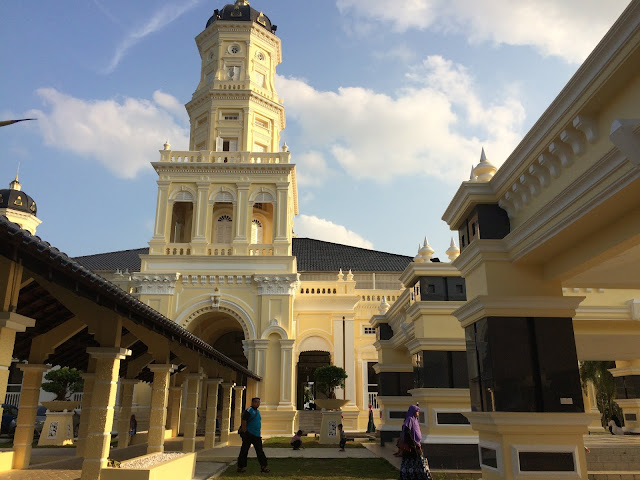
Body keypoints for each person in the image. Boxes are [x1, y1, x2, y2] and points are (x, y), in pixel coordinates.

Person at [237, 397, 269, 473]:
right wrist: (245, 432)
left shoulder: (257, 411)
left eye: (258, 402)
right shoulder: (249, 410)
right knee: (244, 451)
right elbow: (243, 420)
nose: (257, 404)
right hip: (249, 434)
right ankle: (241, 467)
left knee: (260, 451)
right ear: (252, 403)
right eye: (256, 402)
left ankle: (264, 466)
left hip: (257, 435)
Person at [399, 405, 431, 480]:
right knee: (411, 461)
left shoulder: (415, 420)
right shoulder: (409, 419)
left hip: (416, 444)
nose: (418, 413)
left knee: (418, 462)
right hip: (412, 446)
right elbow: (407, 431)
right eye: (417, 411)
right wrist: (412, 444)